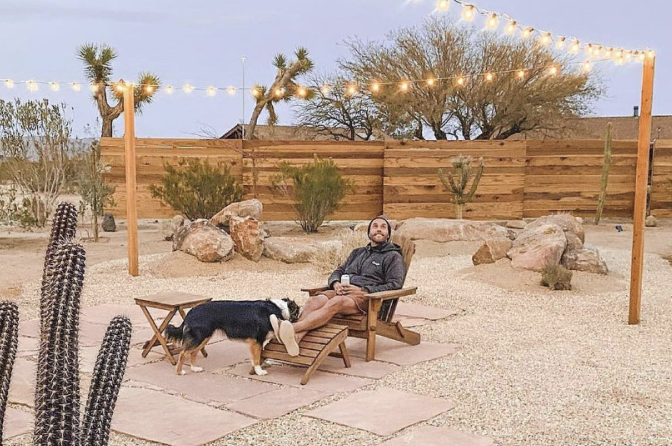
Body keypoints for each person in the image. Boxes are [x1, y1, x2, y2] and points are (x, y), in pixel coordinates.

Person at [272, 216, 406, 356]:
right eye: (375, 226)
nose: (379, 229)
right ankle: (296, 338)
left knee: (337, 302)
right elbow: (338, 271)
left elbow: (395, 285)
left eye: (383, 227)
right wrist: (335, 283)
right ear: (369, 232)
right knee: (314, 301)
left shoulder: (393, 256)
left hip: (368, 300)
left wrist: (364, 290)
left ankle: (292, 328)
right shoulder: (357, 253)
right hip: (342, 292)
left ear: (388, 234)